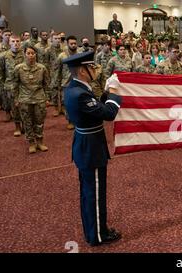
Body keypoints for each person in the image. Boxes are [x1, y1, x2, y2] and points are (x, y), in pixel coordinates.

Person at [63, 51, 122, 247]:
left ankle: (92, 230)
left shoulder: (74, 88)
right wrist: (114, 92)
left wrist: (104, 93)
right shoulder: (80, 94)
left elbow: (94, 108)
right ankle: (98, 235)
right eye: (92, 67)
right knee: (94, 194)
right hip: (91, 149)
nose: (96, 69)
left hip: (86, 144)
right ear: (82, 70)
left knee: (89, 192)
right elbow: (108, 113)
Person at [14, 45, 50, 154]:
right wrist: (16, 99)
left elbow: (46, 84)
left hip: (39, 98)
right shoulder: (19, 68)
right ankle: (31, 142)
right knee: (27, 121)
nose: (31, 55)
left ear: (36, 54)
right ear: (24, 54)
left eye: (33, 53)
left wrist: (47, 98)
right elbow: (15, 84)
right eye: (28, 53)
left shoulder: (42, 68)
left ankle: (40, 141)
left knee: (39, 121)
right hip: (25, 99)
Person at [0, 35, 25, 134]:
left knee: (24, 107)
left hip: (23, 86)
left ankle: (25, 126)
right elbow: (1, 72)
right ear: (9, 43)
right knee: (14, 107)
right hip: (10, 86)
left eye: (17, 41)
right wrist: (4, 85)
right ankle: (17, 127)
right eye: (13, 41)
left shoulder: (24, 54)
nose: (15, 43)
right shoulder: (3, 56)